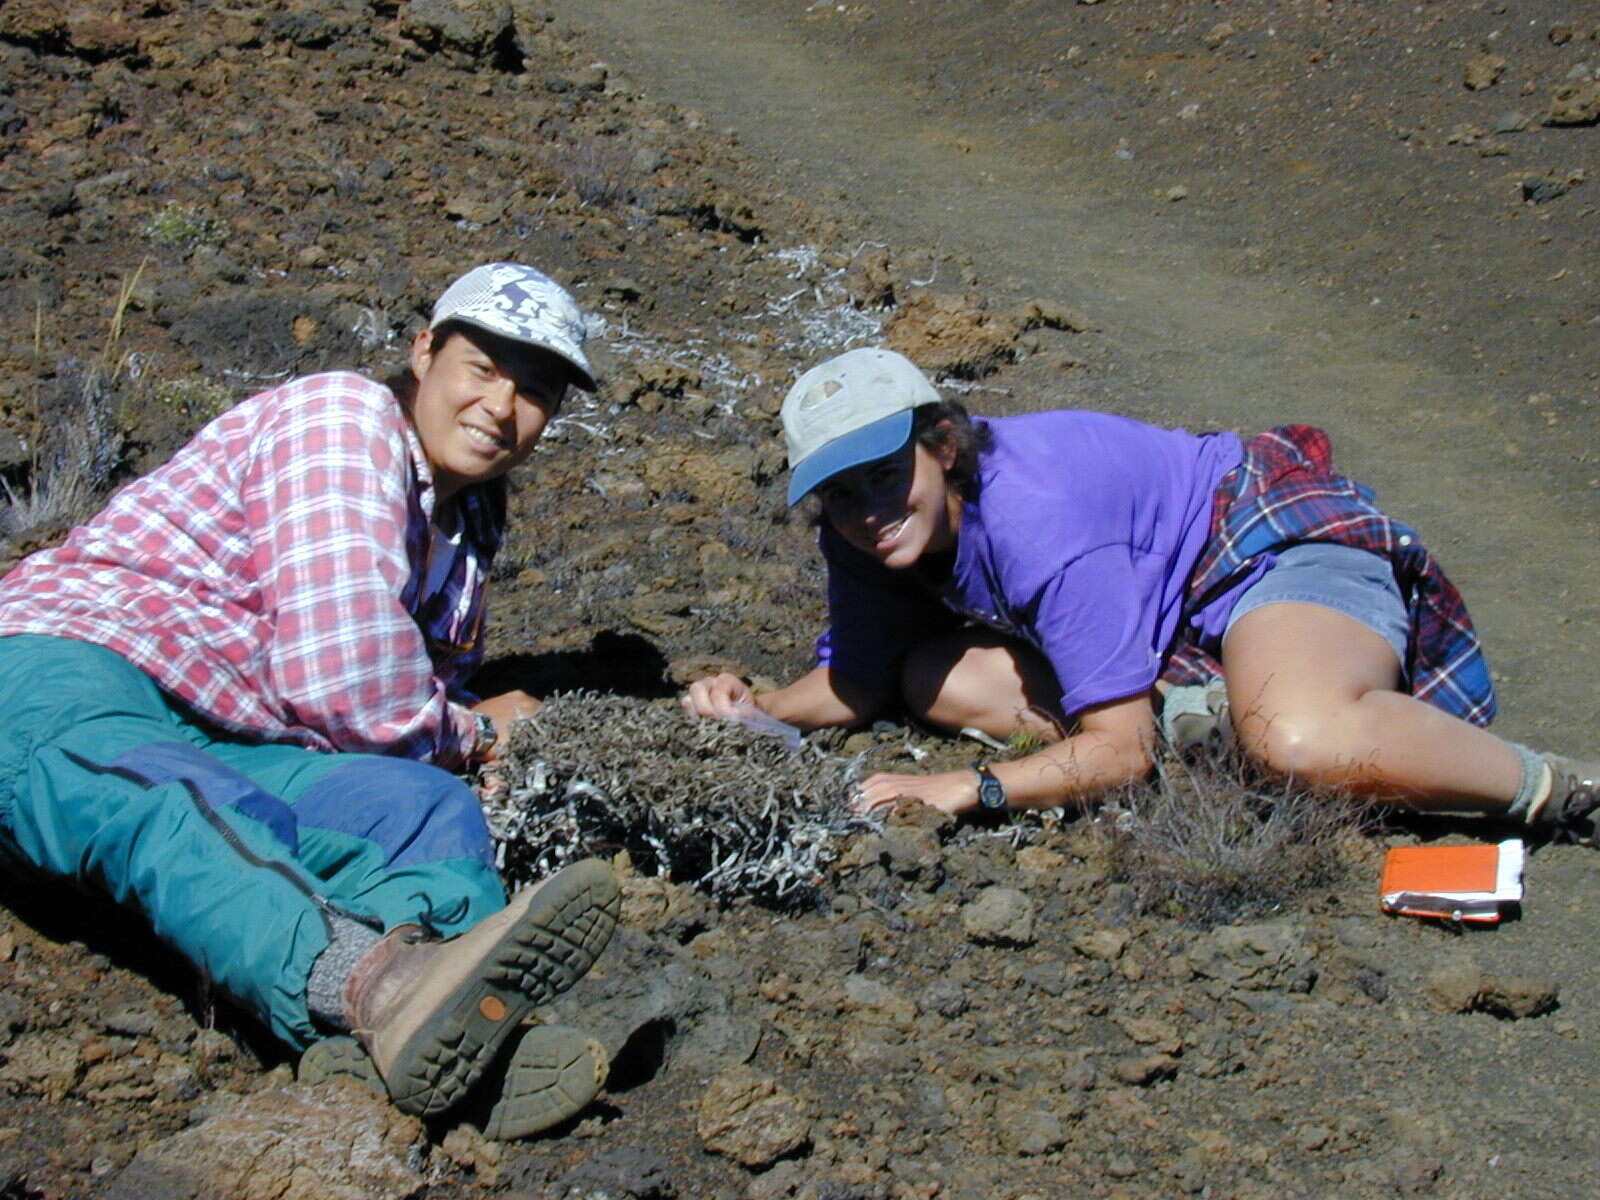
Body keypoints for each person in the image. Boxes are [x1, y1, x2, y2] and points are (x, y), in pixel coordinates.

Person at [0, 262, 619, 1136]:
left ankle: (400, 1029)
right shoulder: (343, 418)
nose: (501, 406)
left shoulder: (470, 521)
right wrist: (476, 732)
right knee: (165, 797)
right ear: (423, 354)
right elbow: (352, 682)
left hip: (241, 730)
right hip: (73, 662)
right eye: (482, 369)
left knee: (421, 806)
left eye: (536, 391)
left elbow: (409, 703)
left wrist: (455, 739)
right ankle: (382, 988)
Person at [683, 346, 1600, 836]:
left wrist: (970, 788)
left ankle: (1561, 789)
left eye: (884, 475)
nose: (866, 510)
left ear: (945, 446)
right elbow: (863, 679)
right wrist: (751, 705)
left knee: (1297, 737)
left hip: (1261, 547)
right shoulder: (866, 533)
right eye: (838, 491)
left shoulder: (1038, 518)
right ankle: (1208, 712)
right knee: (929, 675)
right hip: (1157, 611)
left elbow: (1117, 755)